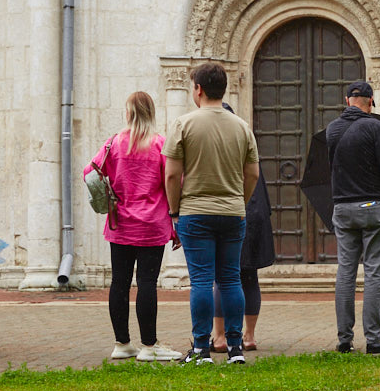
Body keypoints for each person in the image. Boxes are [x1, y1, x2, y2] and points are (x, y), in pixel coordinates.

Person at [164, 63, 260, 365]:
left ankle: (202, 348)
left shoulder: (184, 124)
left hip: (195, 212)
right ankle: (235, 348)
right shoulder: (241, 126)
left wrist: (175, 211)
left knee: (202, 280)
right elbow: (253, 174)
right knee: (231, 279)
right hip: (232, 212)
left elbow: (171, 174)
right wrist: (238, 203)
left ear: (198, 90)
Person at [85, 92, 182, 362]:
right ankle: (149, 346)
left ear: (128, 113)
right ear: (151, 113)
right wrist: (176, 223)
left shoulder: (114, 143)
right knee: (147, 283)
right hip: (152, 225)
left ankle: (122, 343)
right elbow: (175, 181)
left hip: (121, 223)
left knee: (119, 282)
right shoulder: (160, 144)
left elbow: (89, 172)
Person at [327, 80, 380, 354]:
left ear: (347, 101)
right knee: (374, 271)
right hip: (374, 206)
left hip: (343, 207)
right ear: (370, 101)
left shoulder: (332, 129)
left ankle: (344, 339)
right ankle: (374, 338)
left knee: (345, 271)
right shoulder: (375, 126)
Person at [210, 103, 275, 353]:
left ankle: (219, 337)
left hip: (229, 213)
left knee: (222, 277)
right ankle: (248, 336)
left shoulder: (214, 146)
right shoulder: (245, 138)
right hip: (254, 212)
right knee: (249, 276)